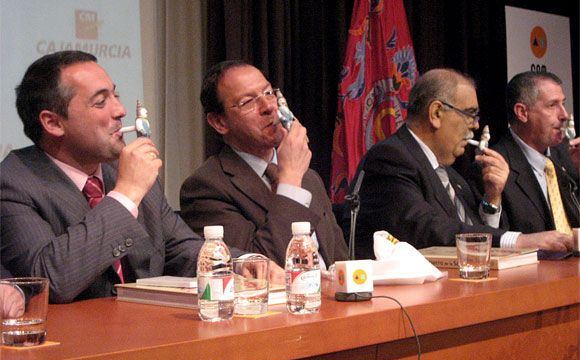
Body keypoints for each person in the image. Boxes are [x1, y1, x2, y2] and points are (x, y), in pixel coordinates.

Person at [0, 51, 282, 304]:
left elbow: (179, 247)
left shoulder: (119, 172)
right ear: (53, 122)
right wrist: (125, 195)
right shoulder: (14, 181)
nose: (120, 111)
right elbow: (49, 281)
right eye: (101, 102)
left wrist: (238, 263)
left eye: (116, 96)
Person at [352, 69, 573, 259]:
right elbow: (429, 229)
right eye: (470, 114)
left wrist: (492, 199)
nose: (476, 125)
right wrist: (518, 241)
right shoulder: (390, 159)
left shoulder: (450, 174)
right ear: (436, 113)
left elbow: (474, 228)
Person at [180, 60, 348, 268]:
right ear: (219, 123)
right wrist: (290, 182)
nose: (269, 107)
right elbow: (261, 271)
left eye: (269, 93)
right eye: (248, 102)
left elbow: (341, 263)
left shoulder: (309, 178)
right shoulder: (206, 188)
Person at [469, 71, 579, 235]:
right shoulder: (492, 167)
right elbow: (492, 238)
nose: (564, 115)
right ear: (522, 112)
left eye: (563, 104)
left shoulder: (567, 157)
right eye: (552, 105)